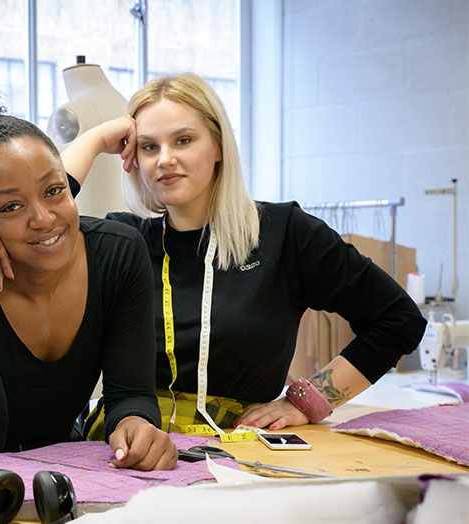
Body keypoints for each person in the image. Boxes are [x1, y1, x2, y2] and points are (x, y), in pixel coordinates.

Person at [61, 73, 426, 432]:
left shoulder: (285, 233)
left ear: (219, 146)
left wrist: (306, 401)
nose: (165, 159)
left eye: (183, 140)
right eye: (149, 147)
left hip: (239, 447)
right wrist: (94, 139)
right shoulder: (124, 241)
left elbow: (398, 319)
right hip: (126, 441)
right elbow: (42, 214)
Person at [0, 80, 177, 471]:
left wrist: (134, 423)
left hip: (54, 452)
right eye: (11, 206)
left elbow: (130, 393)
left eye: (54, 190)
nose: (43, 219)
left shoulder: (117, 254)